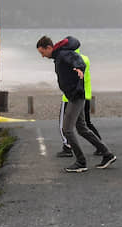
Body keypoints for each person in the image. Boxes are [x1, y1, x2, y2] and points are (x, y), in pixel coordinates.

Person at [36, 36, 116, 172]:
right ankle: (107, 154)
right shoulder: (59, 55)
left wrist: (79, 68)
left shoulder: (62, 54)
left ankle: (81, 162)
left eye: (42, 53)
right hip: (75, 95)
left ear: (49, 48)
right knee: (82, 128)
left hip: (76, 96)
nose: (43, 56)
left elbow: (78, 60)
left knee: (67, 129)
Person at [57, 48, 103, 158]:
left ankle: (67, 147)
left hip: (72, 97)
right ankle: (100, 145)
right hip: (86, 95)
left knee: (65, 125)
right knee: (85, 124)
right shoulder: (84, 59)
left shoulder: (69, 60)